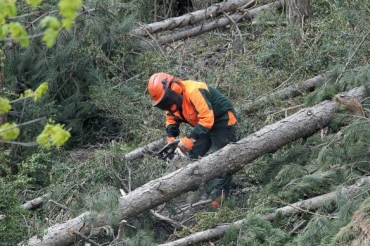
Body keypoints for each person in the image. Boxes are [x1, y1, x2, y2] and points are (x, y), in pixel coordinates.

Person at [147, 72, 238, 208]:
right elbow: (171, 119)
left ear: (174, 88)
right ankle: (199, 193)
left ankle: (218, 202)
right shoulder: (171, 103)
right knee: (192, 157)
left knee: (222, 160)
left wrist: (190, 138)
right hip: (202, 126)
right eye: (163, 104)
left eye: (166, 101)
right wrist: (171, 136)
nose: (167, 106)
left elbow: (207, 118)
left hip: (222, 121)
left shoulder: (194, 90)